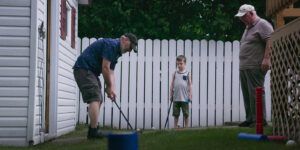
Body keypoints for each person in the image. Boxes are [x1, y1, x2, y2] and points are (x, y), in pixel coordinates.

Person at [73, 33, 138, 139]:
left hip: (91, 71)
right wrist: (108, 86)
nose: (130, 50)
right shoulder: (112, 45)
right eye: (130, 47)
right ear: (124, 39)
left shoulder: (116, 51)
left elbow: (111, 71)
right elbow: (105, 68)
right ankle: (93, 132)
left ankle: (93, 130)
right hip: (84, 69)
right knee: (95, 98)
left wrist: (112, 89)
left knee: (99, 99)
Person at [235, 4, 273, 127]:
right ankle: (251, 118)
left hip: (255, 66)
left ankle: (260, 121)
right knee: (247, 94)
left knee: (256, 92)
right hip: (245, 66)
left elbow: (270, 40)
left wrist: (267, 59)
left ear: (251, 13)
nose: (241, 19)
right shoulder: (248, 27)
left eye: (244, 16)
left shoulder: (262, 24)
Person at [170, 55, 192, 128]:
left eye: (181, 63)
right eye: (178, 64)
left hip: (185, 97)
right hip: (176, 97)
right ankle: (175, 127)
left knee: (186, 113)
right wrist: (171, 94)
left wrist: (190, 95)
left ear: (185, 63)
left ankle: (186, 127)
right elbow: (172, 84)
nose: (179, 65)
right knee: (176, 114)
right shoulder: (175, 73)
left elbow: (190, 85)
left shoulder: (187, 73)